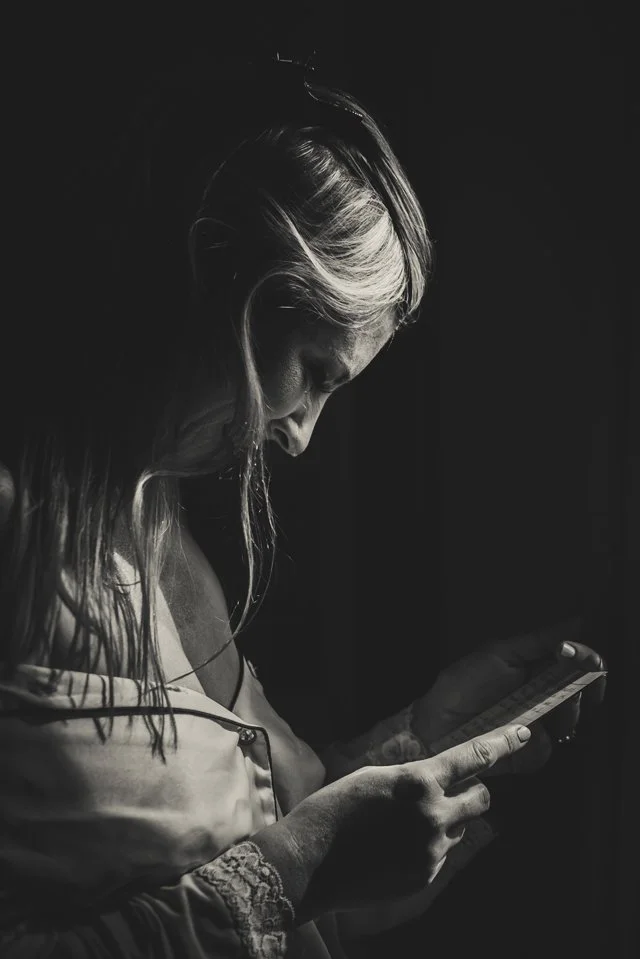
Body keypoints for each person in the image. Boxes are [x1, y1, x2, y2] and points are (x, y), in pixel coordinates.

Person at [0, 53, 605, 958]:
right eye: (313, 374)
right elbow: (285, 870)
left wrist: (427, 742)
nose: (302, 435)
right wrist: (306, 866)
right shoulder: (17, 532)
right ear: (215, 271)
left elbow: (266, 836)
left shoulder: (160, 530)